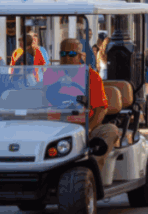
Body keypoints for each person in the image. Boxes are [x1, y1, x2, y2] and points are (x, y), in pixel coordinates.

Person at [46, 38, 117, 169]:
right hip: (54, 125)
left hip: (83, 125)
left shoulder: (91, 76)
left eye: (71, 54)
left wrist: (88, 129)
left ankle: (93, 170)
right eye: (63, 54)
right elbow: (42, 99)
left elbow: (100, 109)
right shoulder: (50, 74)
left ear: (80, 56)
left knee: (110, 130)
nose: (66, 58)